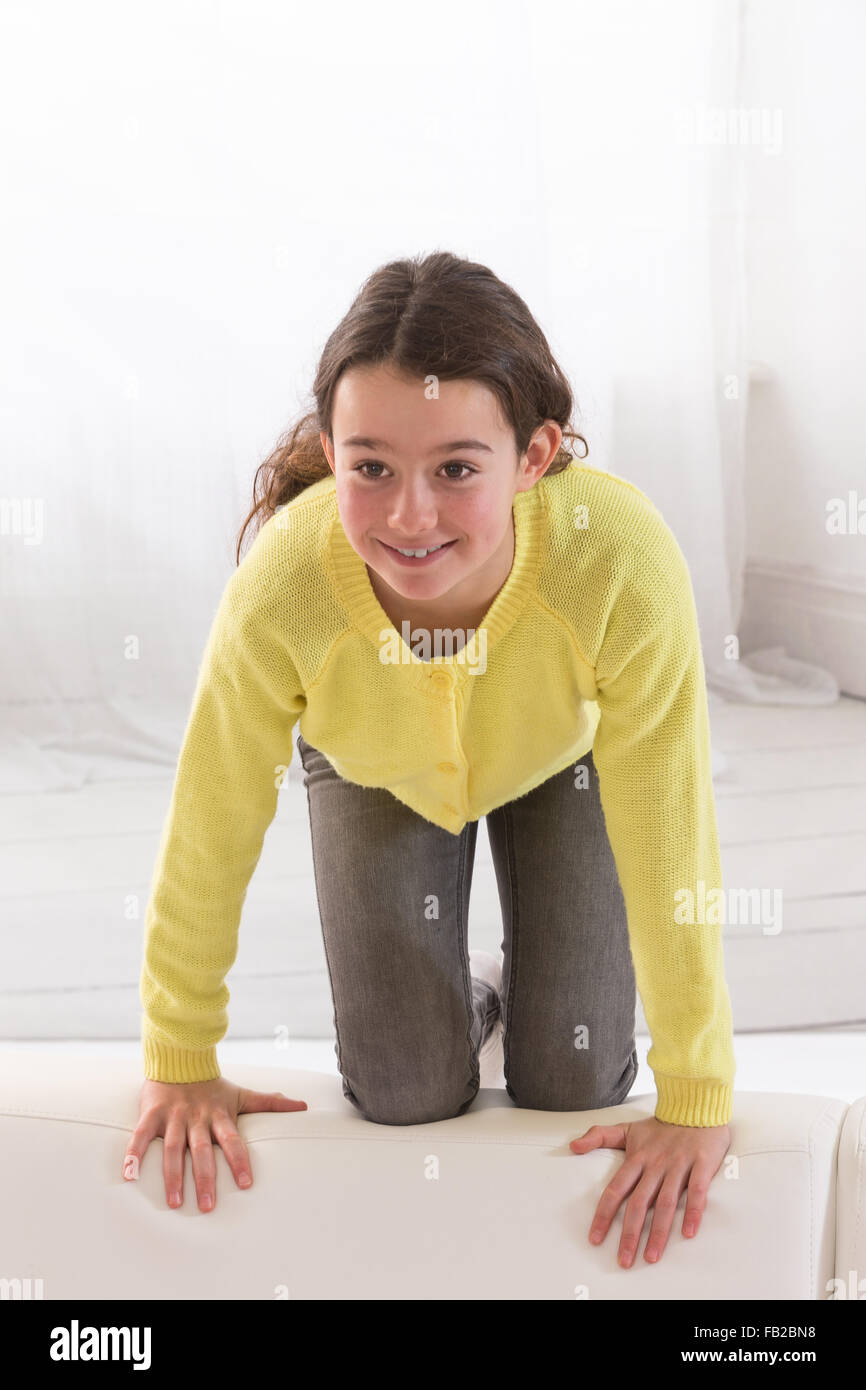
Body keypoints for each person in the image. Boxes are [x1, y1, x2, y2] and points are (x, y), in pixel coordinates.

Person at [123, 250, 735, 1270]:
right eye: (369, 466)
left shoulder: (617, 557)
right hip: (374, 764)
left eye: (455, 467)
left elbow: (669, 824)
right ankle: (470, 992)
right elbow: (212, 813)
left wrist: (697, 1091)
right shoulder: (287, 584)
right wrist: (179, 1056)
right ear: (331, 449)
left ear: (532, 455)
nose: (409, 516)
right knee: (403, 1087)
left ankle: (512, 983)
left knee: (573, 1076)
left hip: (562, 759)